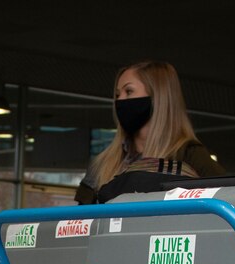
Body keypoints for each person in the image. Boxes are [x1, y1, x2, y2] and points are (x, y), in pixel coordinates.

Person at [76, 60, 222, 204]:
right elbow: (79, 219)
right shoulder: (102, 163)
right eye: (117, 94)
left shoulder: (189, 155)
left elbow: (228, 200)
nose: (119, 100)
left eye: (129, 92)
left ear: (157, 97)